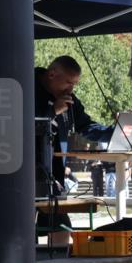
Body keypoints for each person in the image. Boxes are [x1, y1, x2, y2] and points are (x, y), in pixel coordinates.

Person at [34, 56, 115, 244]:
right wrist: (52, 112)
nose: (71, 89)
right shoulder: (26, 86)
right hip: (25, 175)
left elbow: (86, 127)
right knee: (25, 232)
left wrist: (114, 131)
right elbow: (18, 128)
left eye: (75, 84)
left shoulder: (68, 99)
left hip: (54, 177)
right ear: (52, 74)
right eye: (68, 82)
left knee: (61, 227)